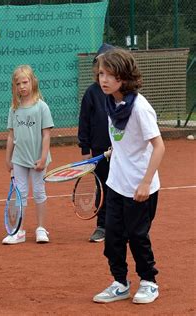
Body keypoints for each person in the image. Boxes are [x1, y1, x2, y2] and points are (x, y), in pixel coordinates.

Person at [92, 48, 165, 304]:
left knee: (137, 236)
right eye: (101, 73)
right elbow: (125, 139)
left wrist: (145, 182)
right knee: (112, 237)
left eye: (109, 75)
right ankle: (120, 283)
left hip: (140, 187)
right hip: (117, 184)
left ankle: (149, 282)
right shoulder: (111, 102)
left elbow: (159, 146)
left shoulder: (140, 108)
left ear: (122, 77)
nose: (103, 79)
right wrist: (116, 150)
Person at [2, 65, 54, 245]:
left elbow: (46, 134)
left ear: (33, 82)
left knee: (39, 193)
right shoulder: (14, 109)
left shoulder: (42, 107)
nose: (22, 86)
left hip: (37, 159)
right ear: (14, 87)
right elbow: (11, 135)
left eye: (25, 82)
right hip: (19, 159)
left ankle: (41, 228)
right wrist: (8, 158)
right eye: (18, 83)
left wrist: (43, 157)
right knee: (21, 194)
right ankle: (19, 231)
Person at [78, 43, 114, 242]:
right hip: (100, 151)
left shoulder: (122, 93)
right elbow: (84, 122)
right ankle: (102, 226)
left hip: (122, 151)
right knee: (102, 186)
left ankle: (120, 225)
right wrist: (85, 148)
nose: (105, 74)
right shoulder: (91, 93)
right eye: (101, 68)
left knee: (122, 187)